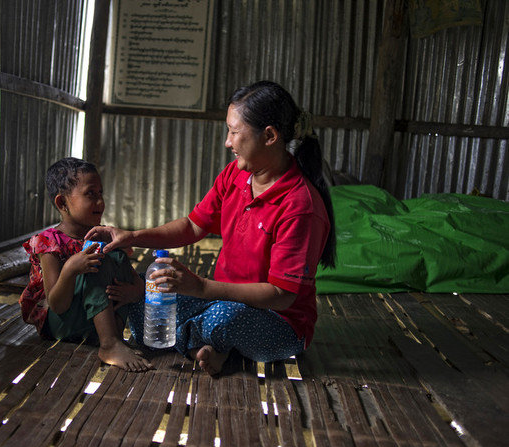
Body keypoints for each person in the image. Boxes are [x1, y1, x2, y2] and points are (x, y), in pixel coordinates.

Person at [86, 81, 336, 375]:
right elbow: (193, 226)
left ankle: (205, 345)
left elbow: (282, 295)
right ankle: (206, 349)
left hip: (278, 322)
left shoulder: (300, 206)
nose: (227, 142)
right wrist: (133, 236)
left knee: (226, 319)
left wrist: (200, 287)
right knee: (144, 289)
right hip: (217, 298)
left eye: (234, 132)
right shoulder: (235, 176)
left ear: (269, 136)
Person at [18, 157, 153, 372]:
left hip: (89, 322)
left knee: (115, 256)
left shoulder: (105, 236)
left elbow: (137, 286)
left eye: (100, 194)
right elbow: (57, 305)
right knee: (96, 259)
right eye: (90, 194)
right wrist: (70, 269)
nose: (100, 202)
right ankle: (109, 344)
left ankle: (113, 338)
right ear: (62, 203)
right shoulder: (49, 242)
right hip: (60, 323)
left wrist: (132, 292)